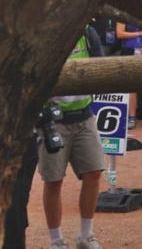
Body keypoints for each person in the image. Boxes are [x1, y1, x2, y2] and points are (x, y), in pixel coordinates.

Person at [39, 28, 106, 249]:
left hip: (84, 115)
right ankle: (56, 240)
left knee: (94, 173)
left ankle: (86, 236)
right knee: (53, 180)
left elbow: (102, 68)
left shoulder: (88, 33)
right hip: (52, 120)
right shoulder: (45, 31)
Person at [115, 22, 142, 129]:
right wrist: (139, 33)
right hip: (129, 49)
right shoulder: (123, 14)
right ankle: (132, 117)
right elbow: (119, 34)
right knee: (131, 85)